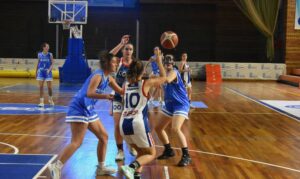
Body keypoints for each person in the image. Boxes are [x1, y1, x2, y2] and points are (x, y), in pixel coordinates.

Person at [48, 51, 123, 179]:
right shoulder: (98, 75)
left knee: (104, 136)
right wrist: (106, 96)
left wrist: (137, 84)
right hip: (79, 107)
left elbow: (121, 91)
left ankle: (101, 168)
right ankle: (56, 166)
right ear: (107, 64)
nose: (116, 64)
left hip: (88, 109)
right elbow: (89, 93)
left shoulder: (109, 78)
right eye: (114, 62)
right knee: (77, 142)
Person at [120, 50, 166, 179]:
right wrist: (159, 61)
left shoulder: (126, 84)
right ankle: (130, 167)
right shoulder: (146, 83)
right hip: (138, 123)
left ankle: (136, 175)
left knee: (141, 153)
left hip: (124, 124)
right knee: (151, 153)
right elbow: (164, 78)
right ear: (142, 72)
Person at [155, 54, 192, 167]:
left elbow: (166, 79)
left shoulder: (174, 72)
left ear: (173, 63)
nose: (168, 63)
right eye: (166, 61)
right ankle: (168, 150)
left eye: (170, 61)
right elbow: (161, 83)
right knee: (158, 128)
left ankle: (186, 155)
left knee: (175, 128)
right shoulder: (163, 73)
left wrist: (158, 60)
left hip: (180, 104)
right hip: (170, 104)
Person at [110, 35, 137, 161]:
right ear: (123, 51)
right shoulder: (118, 61)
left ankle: (131, 145)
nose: (128, 51)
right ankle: (120, 151)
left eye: (130, 49)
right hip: (117, 97)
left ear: (133, 51)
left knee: (129, 125)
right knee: (117, 126)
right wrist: (121, 43)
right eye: (126, 49)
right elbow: (108, 56)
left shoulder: (136, 64)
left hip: (131, 99)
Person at [36, 43, 55, 107]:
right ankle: (41, 102)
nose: (48, 48)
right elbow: (38, 63)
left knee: (49, 87)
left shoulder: (50, 54)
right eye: (47, 47)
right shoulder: (39, 55)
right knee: (41, 87)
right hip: (41, 72)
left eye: (48, 47)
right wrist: (36, 72)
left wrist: (49, 70)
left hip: (48, 72)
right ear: (44, 48)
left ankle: (50, 99)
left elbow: (52, 63)